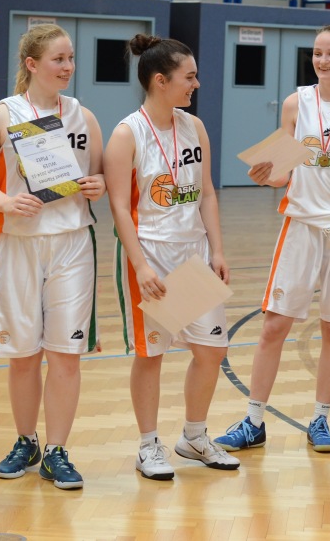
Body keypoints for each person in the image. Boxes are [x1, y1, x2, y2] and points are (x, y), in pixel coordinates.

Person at [213, 20, 330, 454]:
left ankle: (321, 420)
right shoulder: (296, 103)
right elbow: (283, 171)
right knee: (275, 325)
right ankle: (254, 421)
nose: (323, 61)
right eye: (317, 53)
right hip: (302, 224)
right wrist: (265, 175)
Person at [0, 24, 103, 489]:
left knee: (66, 354)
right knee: (23, 355)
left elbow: (99, 176)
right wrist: (4, 202)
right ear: (31, 64)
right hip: (17, 243)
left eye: (70, 58)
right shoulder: (2, 116)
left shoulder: (83, 116)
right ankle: (26, 440)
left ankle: (58, 450)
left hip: (72, 243)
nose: (68, 67)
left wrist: (98, 185)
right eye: (58, 59)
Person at [104, 34, 239, 480]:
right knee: (152, 354)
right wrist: (140, 265)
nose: (196, 84)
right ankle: (148, 446)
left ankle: (194, 437)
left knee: (212, 350)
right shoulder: (127, 134)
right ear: (160, 81)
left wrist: (217, 249)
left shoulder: (194, 126)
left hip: (194, 254)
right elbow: (119, 207)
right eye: (189, 77)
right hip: (152, 255)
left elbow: (207, 193)